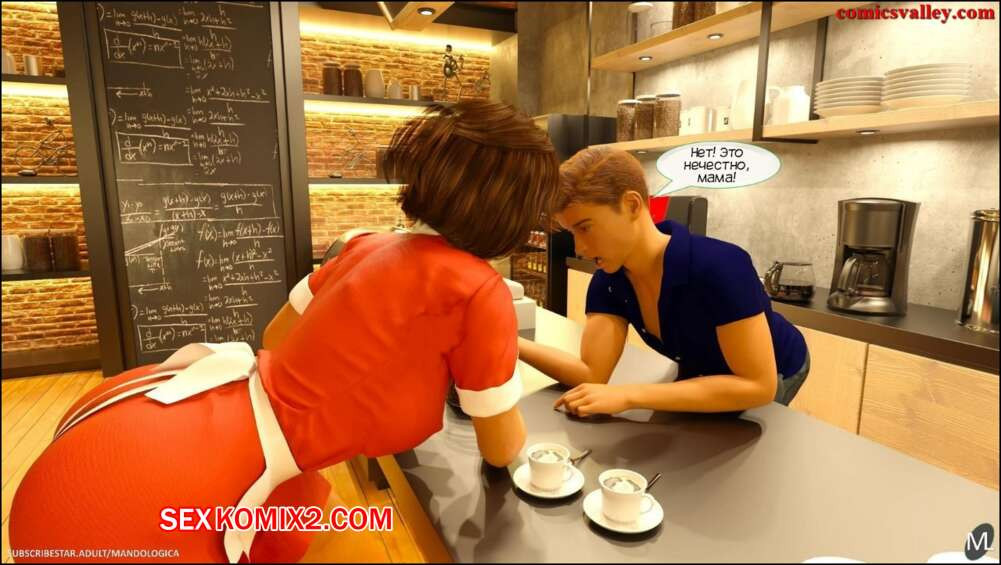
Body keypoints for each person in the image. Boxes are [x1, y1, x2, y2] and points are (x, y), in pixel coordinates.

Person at [9, 100, 559, 563]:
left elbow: (275, 336)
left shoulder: (366, 245)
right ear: (513, 212)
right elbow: (501, 446)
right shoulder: (479, 289)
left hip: (177, 410)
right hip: (151, 494)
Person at [518, 148, 810, 417]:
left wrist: (629, 395)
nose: (579, 248)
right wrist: (509, 342)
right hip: (701, 367)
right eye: (572, 232)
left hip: (776, 368)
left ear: (632, 205)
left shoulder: (721, 266)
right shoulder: (608, 282)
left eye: (585, 228)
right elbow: (592, 374)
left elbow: (757, 386)